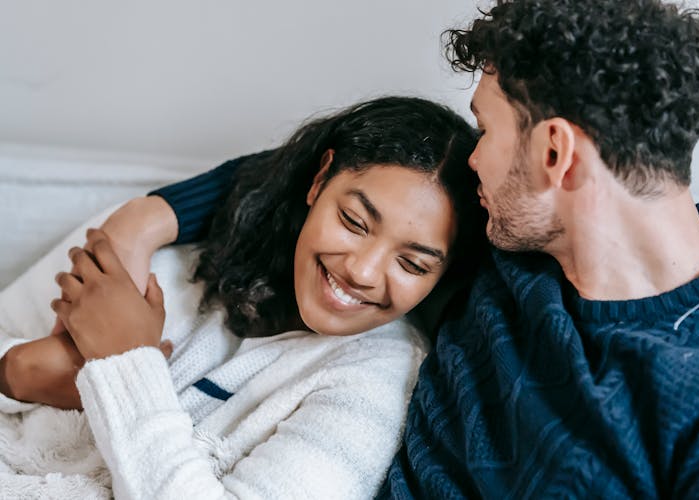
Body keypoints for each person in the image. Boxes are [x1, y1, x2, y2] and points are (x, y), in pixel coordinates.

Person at [37, 0, 699, 498]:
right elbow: (317, 176)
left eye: (486, 130)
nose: (472, 160)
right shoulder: (507, 256)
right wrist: (144, 221)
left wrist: (124, 364)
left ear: (555, 152)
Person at [0, 96, 487, 498]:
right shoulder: (157, 257)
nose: (361, 270)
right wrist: (17, 370)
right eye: (354, 222)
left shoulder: (373, 384)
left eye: (412, 264)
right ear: (320, 180)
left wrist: (127, 364)